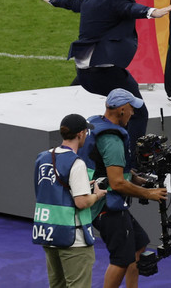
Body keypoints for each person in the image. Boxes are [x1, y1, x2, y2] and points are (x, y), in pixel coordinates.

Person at [44, 0, 171, 156]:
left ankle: (114, 148)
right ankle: (134, 159)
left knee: (121, 107)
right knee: (138, 110)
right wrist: (153, 12)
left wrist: (56, 0)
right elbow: (130, 9)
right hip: (103, 72)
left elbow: (74, 1)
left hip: (84, 72)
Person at [79, 89, 168, 288]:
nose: (133, 113)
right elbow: (117, 183)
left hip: (103, 200)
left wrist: (133, 177)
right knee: (121, 258)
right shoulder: (112, 139)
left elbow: (102, 163)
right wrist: (149, 193)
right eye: (131, 109)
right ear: (121, 110)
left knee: (139, 244)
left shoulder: (95, 123)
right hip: (106, 206)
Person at [33, 113, 107, 288]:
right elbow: (81, 202)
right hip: (73, 238)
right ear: (81, 134)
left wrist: (81, 185)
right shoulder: (76, 163)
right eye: (86, 132)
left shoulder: (42, 157)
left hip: (48, 233)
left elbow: (46, 190)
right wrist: (96, 195)